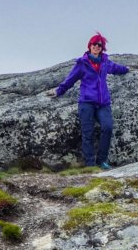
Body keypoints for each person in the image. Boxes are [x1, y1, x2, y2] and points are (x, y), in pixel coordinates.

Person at [50, 32, 129, 168]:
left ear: (102, 48)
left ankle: (102, 161)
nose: (96, 47)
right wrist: (59, 91)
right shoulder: (82, 63)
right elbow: (70, 79)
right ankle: (90, 165)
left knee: (107, 127)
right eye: (94, 44)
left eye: (100, 45)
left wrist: (126, 69)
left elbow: (116, 68)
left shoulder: (105, 62)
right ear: (90, 45)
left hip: (103, 103)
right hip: (86, 103)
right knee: (88, 133)